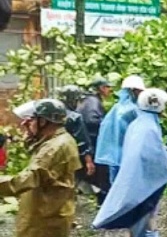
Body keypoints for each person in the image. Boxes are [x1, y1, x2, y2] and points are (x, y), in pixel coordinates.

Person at [0, 99, 93, 237]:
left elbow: (32, 175)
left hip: (49, 214)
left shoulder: (55, 147)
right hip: (47, 212)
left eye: (33, 120)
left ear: (44, 121)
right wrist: (29, 135)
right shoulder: (54, 140)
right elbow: (37, 157)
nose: (28, 122)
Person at [93, 88, 167, 237]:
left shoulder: (140, 122)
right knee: (142, 210)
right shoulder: (149, 127)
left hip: (136, 174)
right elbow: (155, 153)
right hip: (143, 176)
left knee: (147, 210)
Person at [95, 75, 145, 185]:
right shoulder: (131, 111)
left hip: (114, 156)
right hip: (126, 157)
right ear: (133, 91)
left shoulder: (117, 108)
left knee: (116, 187)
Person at [56, 85, 96, 195]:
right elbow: (82, 141)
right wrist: (88, 161)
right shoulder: (74, 117)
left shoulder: (53, 115)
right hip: (71, 158)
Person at [79, 77, 113, 205]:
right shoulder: (93, 102)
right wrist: (106, 126)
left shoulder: (89, 100)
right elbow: (91, 121)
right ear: (101, 88)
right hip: (93, 144)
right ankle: (103, 202)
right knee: (101, 175)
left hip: (89, 144)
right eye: (107, 87)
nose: (110, 90)